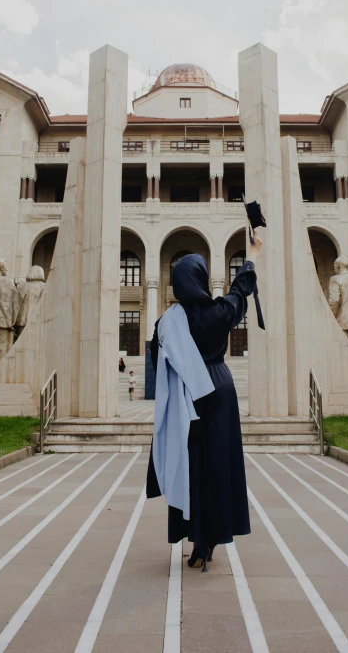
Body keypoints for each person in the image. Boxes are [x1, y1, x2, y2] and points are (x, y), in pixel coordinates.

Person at [147, 230, 262, 571]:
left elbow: (158, 364)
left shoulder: (166, 323)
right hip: (219, 392)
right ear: (200, 278)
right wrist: (253, 254)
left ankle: (195, 539)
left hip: (187, 396)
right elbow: (241, 290)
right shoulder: (220, 312)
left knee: (191, 465)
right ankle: (211, 538)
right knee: (218, 465)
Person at [15, 266, 46, 336]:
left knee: (21, 344)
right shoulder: (44, 287)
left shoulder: (22, 286)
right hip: (38, 320)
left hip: (23, 320)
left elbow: (16, 304)